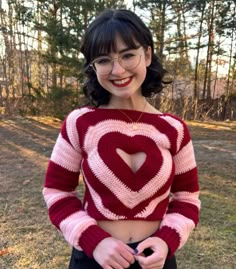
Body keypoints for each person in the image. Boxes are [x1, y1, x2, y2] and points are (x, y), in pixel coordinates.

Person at [43, 9, 200, 269]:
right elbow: (57, 192)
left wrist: (166, 241)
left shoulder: (175, 129)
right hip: (95, 258)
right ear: (94, 67)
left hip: (156, 260)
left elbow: (187, 198)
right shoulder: (79, 123)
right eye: (104, 60)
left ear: (147, 55)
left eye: (128, 55)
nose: (117, 70)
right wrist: (95, 241)